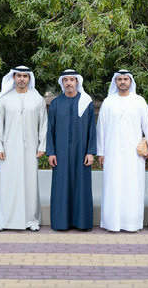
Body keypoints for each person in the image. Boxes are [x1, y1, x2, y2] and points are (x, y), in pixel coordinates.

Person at [96, 70, 148, 232]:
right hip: (112, 152)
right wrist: (100, 152)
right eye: (120, 79)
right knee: (112, 186)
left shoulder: (139, 101)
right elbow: (101, 129)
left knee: (133, 187)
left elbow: (147, 125)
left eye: (125, 79)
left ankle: (132, 224)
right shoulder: (108, 102)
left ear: (131, 82)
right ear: (115, 82)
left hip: (133, 154)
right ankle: (111, 224)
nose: (122, 82)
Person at [0, 66, 47, 231]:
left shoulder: (37, 100)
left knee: (30, 184)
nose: (22, 79)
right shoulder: (4, 100)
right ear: (13, 78)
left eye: (25, 76)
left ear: (29, 78)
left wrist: (42, 146)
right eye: (18, 76)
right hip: (8, 150)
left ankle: (31, 220)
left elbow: (43, 125)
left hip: (31, 149)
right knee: (8, 184)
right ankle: (4, 221)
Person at [46, 69, 96, 231]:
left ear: (77, 82)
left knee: (81, 186)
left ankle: (82, 223)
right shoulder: (55, 103)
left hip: (82, 153)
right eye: (66, 80)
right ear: (62, 82)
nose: (69, 83)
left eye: (72, 80)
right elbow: (50, 130)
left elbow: (91, 129)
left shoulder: (86, 102)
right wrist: (51, 152)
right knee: (62, 186)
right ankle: (61, 223)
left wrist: (90, 151)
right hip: (60, 153)